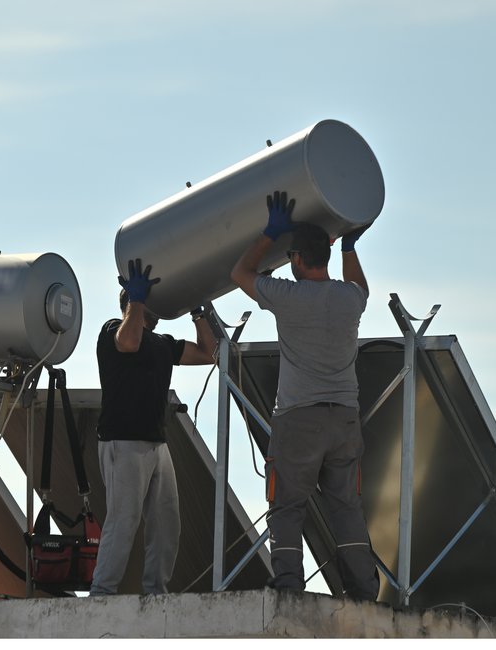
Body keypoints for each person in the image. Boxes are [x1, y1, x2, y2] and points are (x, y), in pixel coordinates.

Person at [230, 190, 379, 601]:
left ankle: (290, 589)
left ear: (296, 258)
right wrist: (349, 245)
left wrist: (267, 235)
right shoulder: (349, 300)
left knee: (288, 506)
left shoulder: (288, 296)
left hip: (299, 419)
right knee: (345, 507)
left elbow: (240, 274)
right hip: (344, 418)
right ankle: (364, 591)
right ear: (327, 255)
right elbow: (360, 286)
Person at [90, 258, 216, 596]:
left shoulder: (163, 344)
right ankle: (102, 592)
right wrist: (136, 300)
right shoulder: (112, 330)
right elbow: (129, 342)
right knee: (124, 520)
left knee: (166, 524)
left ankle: (156, 593)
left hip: (155, 444)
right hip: (123, 442)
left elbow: (209, 353)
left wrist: (197, 312)